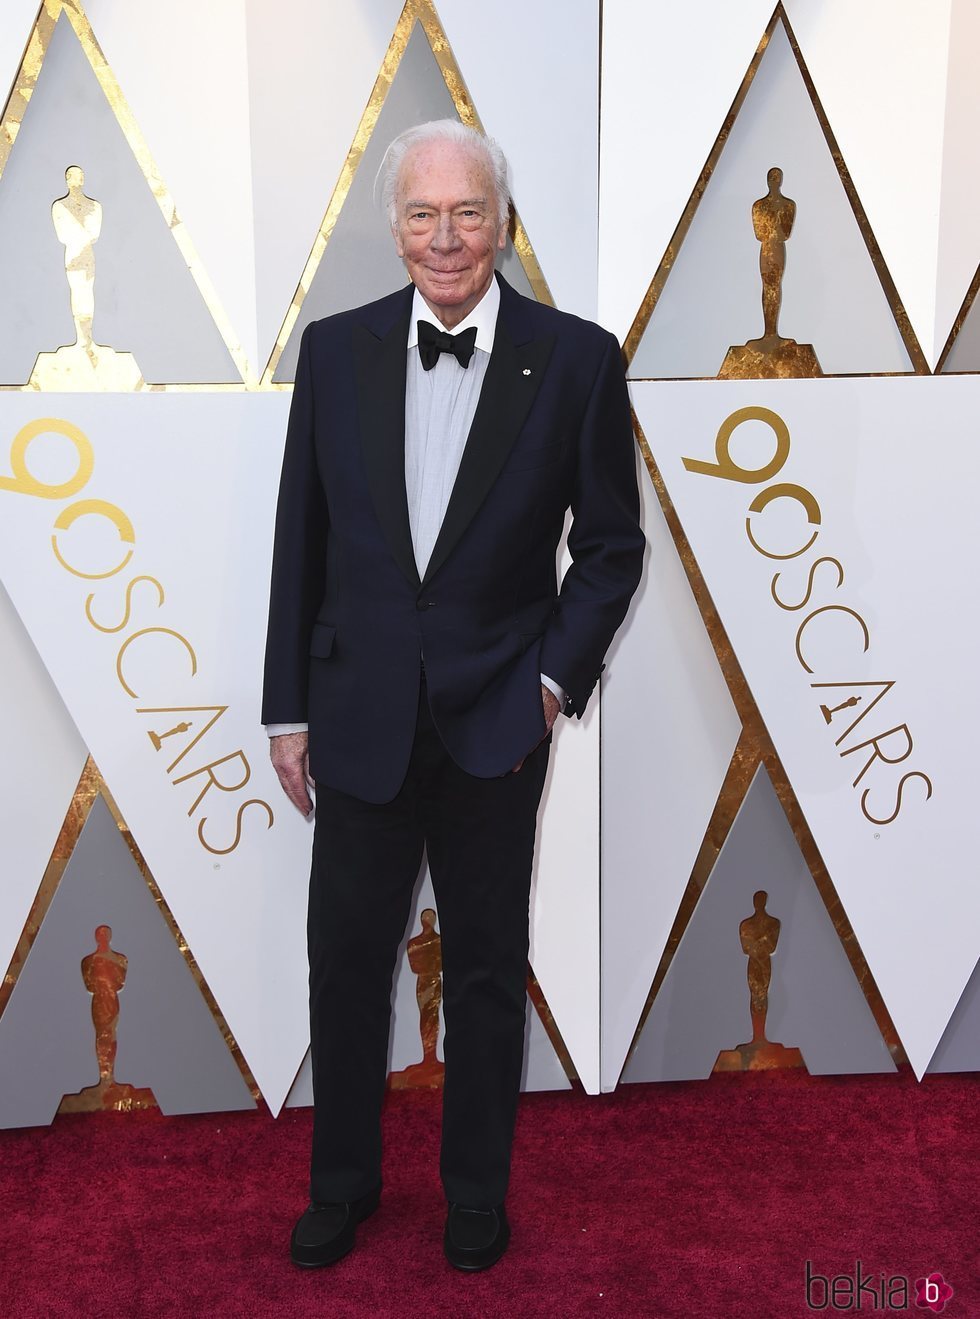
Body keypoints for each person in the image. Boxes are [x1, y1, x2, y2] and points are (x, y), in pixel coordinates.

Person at [262, 118, 644, 1273]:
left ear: (502, 221)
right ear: (394, 228)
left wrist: (548, 680)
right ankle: (343, 1184)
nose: (445, 237)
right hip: (357, 714)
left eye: (466, 212)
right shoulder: (332, 352)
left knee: (484, 967)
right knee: (345, 963)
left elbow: (612, 548)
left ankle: (474, 1191)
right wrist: (287, 709)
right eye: (422, 215)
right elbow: (302, 541)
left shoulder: (575, 357)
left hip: (495, 719)